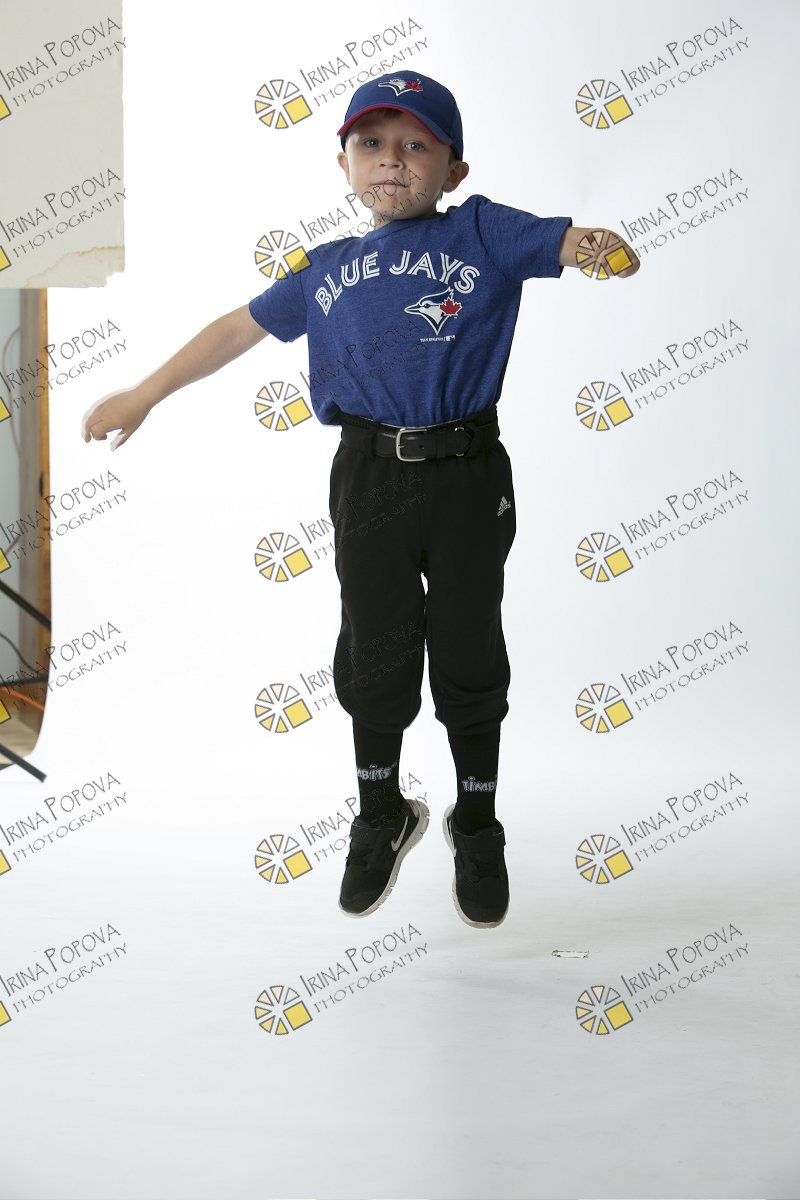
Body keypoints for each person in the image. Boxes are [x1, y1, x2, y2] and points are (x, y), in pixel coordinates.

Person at [82, 70, 639, 931]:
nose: (392, 160)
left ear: (453, 168)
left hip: (466, 471)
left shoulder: (481, 230)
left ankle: (477, 820)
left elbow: (563, 242)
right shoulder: (324, 269)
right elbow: (235, 328)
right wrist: (144, 393)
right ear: (341, 162)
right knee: (375, 645)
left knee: (468, 642)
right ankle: (382, 812)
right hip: (368, 474)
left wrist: (595, 247)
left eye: (417, 145)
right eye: (371, 143)